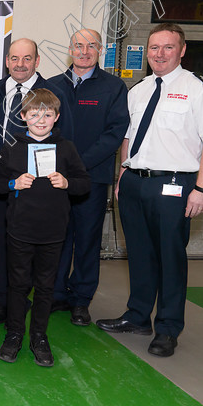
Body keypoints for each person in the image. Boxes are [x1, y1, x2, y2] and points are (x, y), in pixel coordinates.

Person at [96, 23, 203, 358]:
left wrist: (202, 188)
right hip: (135, 181)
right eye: (154, 48)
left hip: (175, 184)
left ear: (182, 50)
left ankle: (167, 327)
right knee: (138, 253)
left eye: (168, 47)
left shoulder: (199, 89)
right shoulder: (139, 90)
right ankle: (138, 317)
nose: (159, 54)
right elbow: (128, 138)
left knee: (170, 257)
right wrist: (123, 175)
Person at [0, 89, 90, 367]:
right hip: (20, 229)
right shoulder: (11, 147)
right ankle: (14, 333)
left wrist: (68, 182)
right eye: (34, 114)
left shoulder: (67, 148)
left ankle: (39, 335)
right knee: (18, 285)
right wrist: (13, 184)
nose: (41, 119)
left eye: (47, 114)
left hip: (53, 232)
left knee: (46, 287)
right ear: (23, 116)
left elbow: (85, 183)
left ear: (56, 117)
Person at [0, 38, 74, 326]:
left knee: (36, 253)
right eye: (14, 58)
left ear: (36, 61)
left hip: (39, 190)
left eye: (27, 58)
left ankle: (34, 303)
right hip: (1, 184)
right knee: (0, 245)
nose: (20, 64)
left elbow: (65, 138)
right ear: (7, 61)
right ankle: (5, 302)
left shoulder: (53, 94)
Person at [47, 29, 129, 326]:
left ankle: (81, 300)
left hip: (92, 179)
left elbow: (114, 133)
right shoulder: (53, 85)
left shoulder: (113, 87)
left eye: (91, 45)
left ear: (100, 50)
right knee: (58, 237)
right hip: (54, 178)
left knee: (87, 240)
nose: (84, 51)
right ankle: (56, 294)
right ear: (70, 49)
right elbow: (41, 129)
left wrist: (78, 164)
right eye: (78, 45)